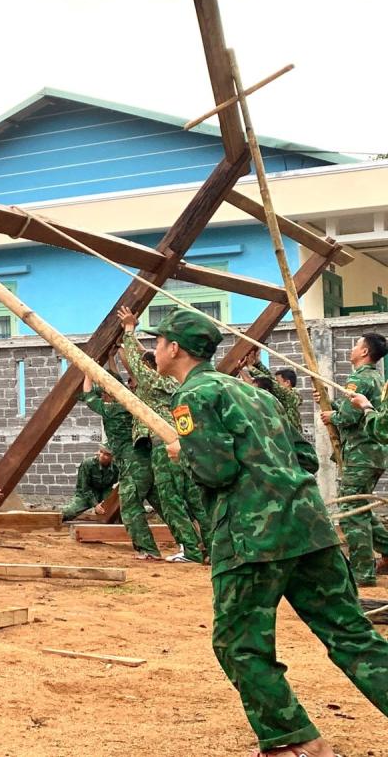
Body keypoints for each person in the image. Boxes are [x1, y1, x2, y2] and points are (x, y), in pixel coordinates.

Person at [153, 308, 388, 757]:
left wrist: (182, 451)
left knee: (239, 644)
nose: (156, 350)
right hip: (310, 528)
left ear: (175, 348)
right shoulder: (256, 395)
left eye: (159, 343)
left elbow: (217, 470)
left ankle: (295, 743)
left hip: (252, 537)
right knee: (353, 635)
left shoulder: (193, 396)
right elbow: (305, 458)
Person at [118, 305, 204, 564]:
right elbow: (136, 365)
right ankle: (210, 548)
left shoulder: (155, 381)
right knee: (193, 498)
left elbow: (135, 363)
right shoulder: (179, 383)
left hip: (163, 444)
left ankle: (190, 549)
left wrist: (129, 330)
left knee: (170, 499)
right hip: (183, 442)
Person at [320, 332, 388, 587]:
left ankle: (363, 572)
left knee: (350, 511)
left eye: (356, 345)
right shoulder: (376, 378)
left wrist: (332, 416)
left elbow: (349, 418)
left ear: (364, 352)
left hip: (361, 454)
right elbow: (352, 409)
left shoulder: (358, 379)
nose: (352, 349)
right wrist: (334, 407)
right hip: (373, 454)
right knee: (362, 508)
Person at [241, 348, 302, 430]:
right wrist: (257, 363)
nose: (276, 383)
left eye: (278, 381)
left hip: (291, 438)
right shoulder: (283, 395)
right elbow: (269, 378)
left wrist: (250, 367)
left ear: (287, 383)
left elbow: (270, 382)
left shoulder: (292, 396)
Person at [60, 446, 119, 520]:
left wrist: (107, 502)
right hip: (85, 495)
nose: (102, 456)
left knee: (113, 512)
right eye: (101, 452)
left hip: (104, 493)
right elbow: (85, 488)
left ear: (112, 457)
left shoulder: (116, 467)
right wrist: (96, 505)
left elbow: (112, 485)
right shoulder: (88, 464)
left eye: (106, 454)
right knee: (68, 512)